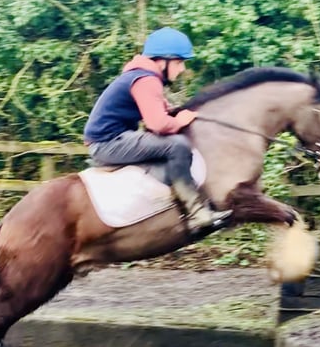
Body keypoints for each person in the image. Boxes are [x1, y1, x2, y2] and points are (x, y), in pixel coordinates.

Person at [83, 27, 232, 236]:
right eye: (179, 62)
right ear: (163, 61)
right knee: (177, 145)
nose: (182, 69)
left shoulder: (142, 76)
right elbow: (158, 124)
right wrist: (180, 120)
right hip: (108, 144)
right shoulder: (146, 80)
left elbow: (159, 111)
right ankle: (197, 212)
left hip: (113, 140)